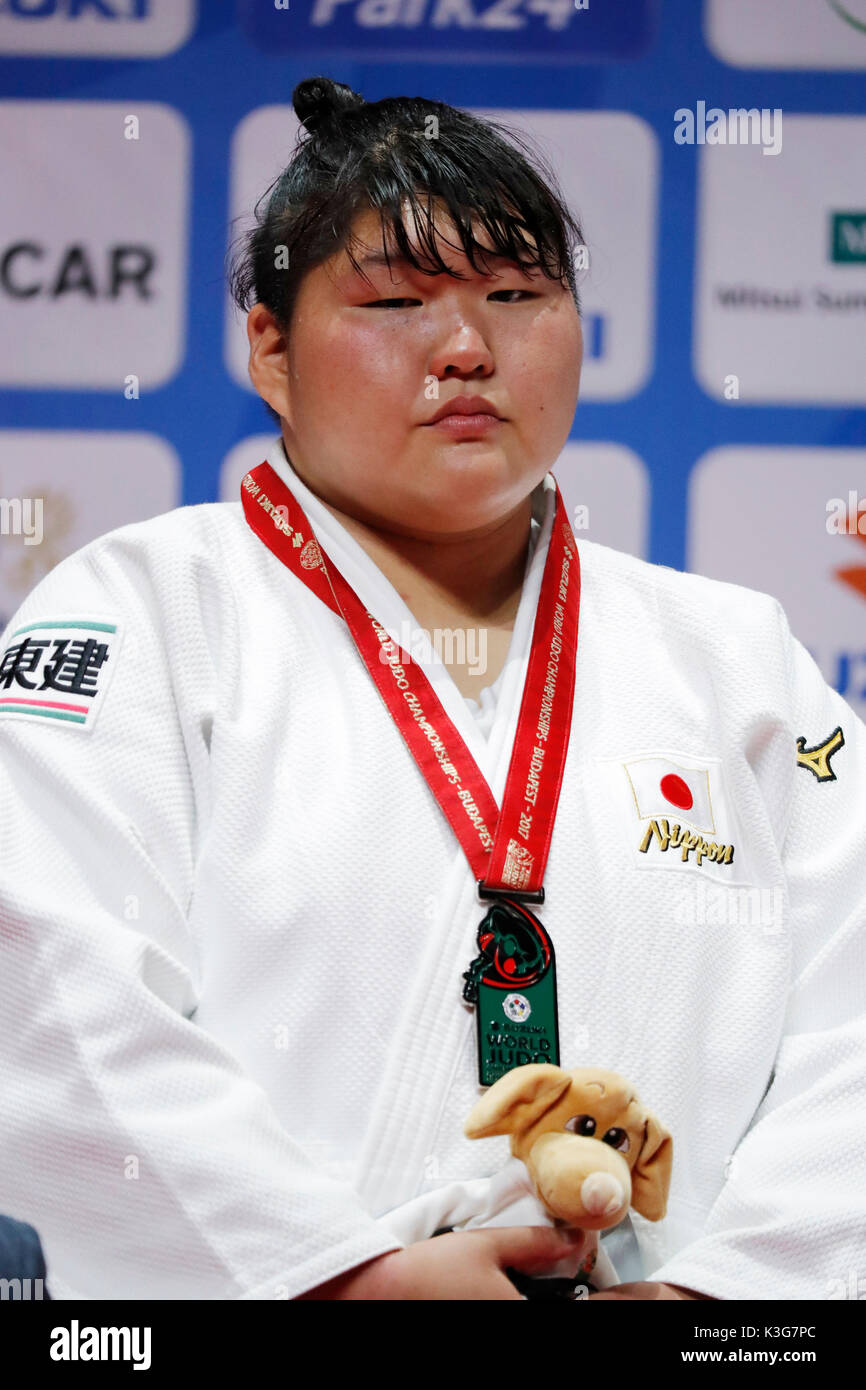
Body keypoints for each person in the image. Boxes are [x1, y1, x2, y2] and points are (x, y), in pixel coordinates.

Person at [0, 76, 863, 1303]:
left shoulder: (737, 660)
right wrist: (346, 1279)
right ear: (270, 347)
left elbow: (854, 1034)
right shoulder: (139, 614)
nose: (467, 348)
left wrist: (721, 1300)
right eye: (397, 302)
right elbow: (48, 998)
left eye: (516, 297)